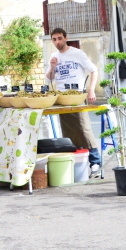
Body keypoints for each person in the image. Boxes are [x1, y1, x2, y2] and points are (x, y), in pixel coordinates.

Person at [46, 28, 102, 176]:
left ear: (66, 38)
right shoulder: (53, 56)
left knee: (84, 128)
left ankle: (95, 162)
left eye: (59, 38)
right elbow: (49, 78)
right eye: (54, 39)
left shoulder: (77, 53)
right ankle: (77, 162)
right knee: (68, 131)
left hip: (77, 97)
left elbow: (93, 70)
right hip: (61, 97)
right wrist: (52, 67)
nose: (57, 42)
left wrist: (91, 90)